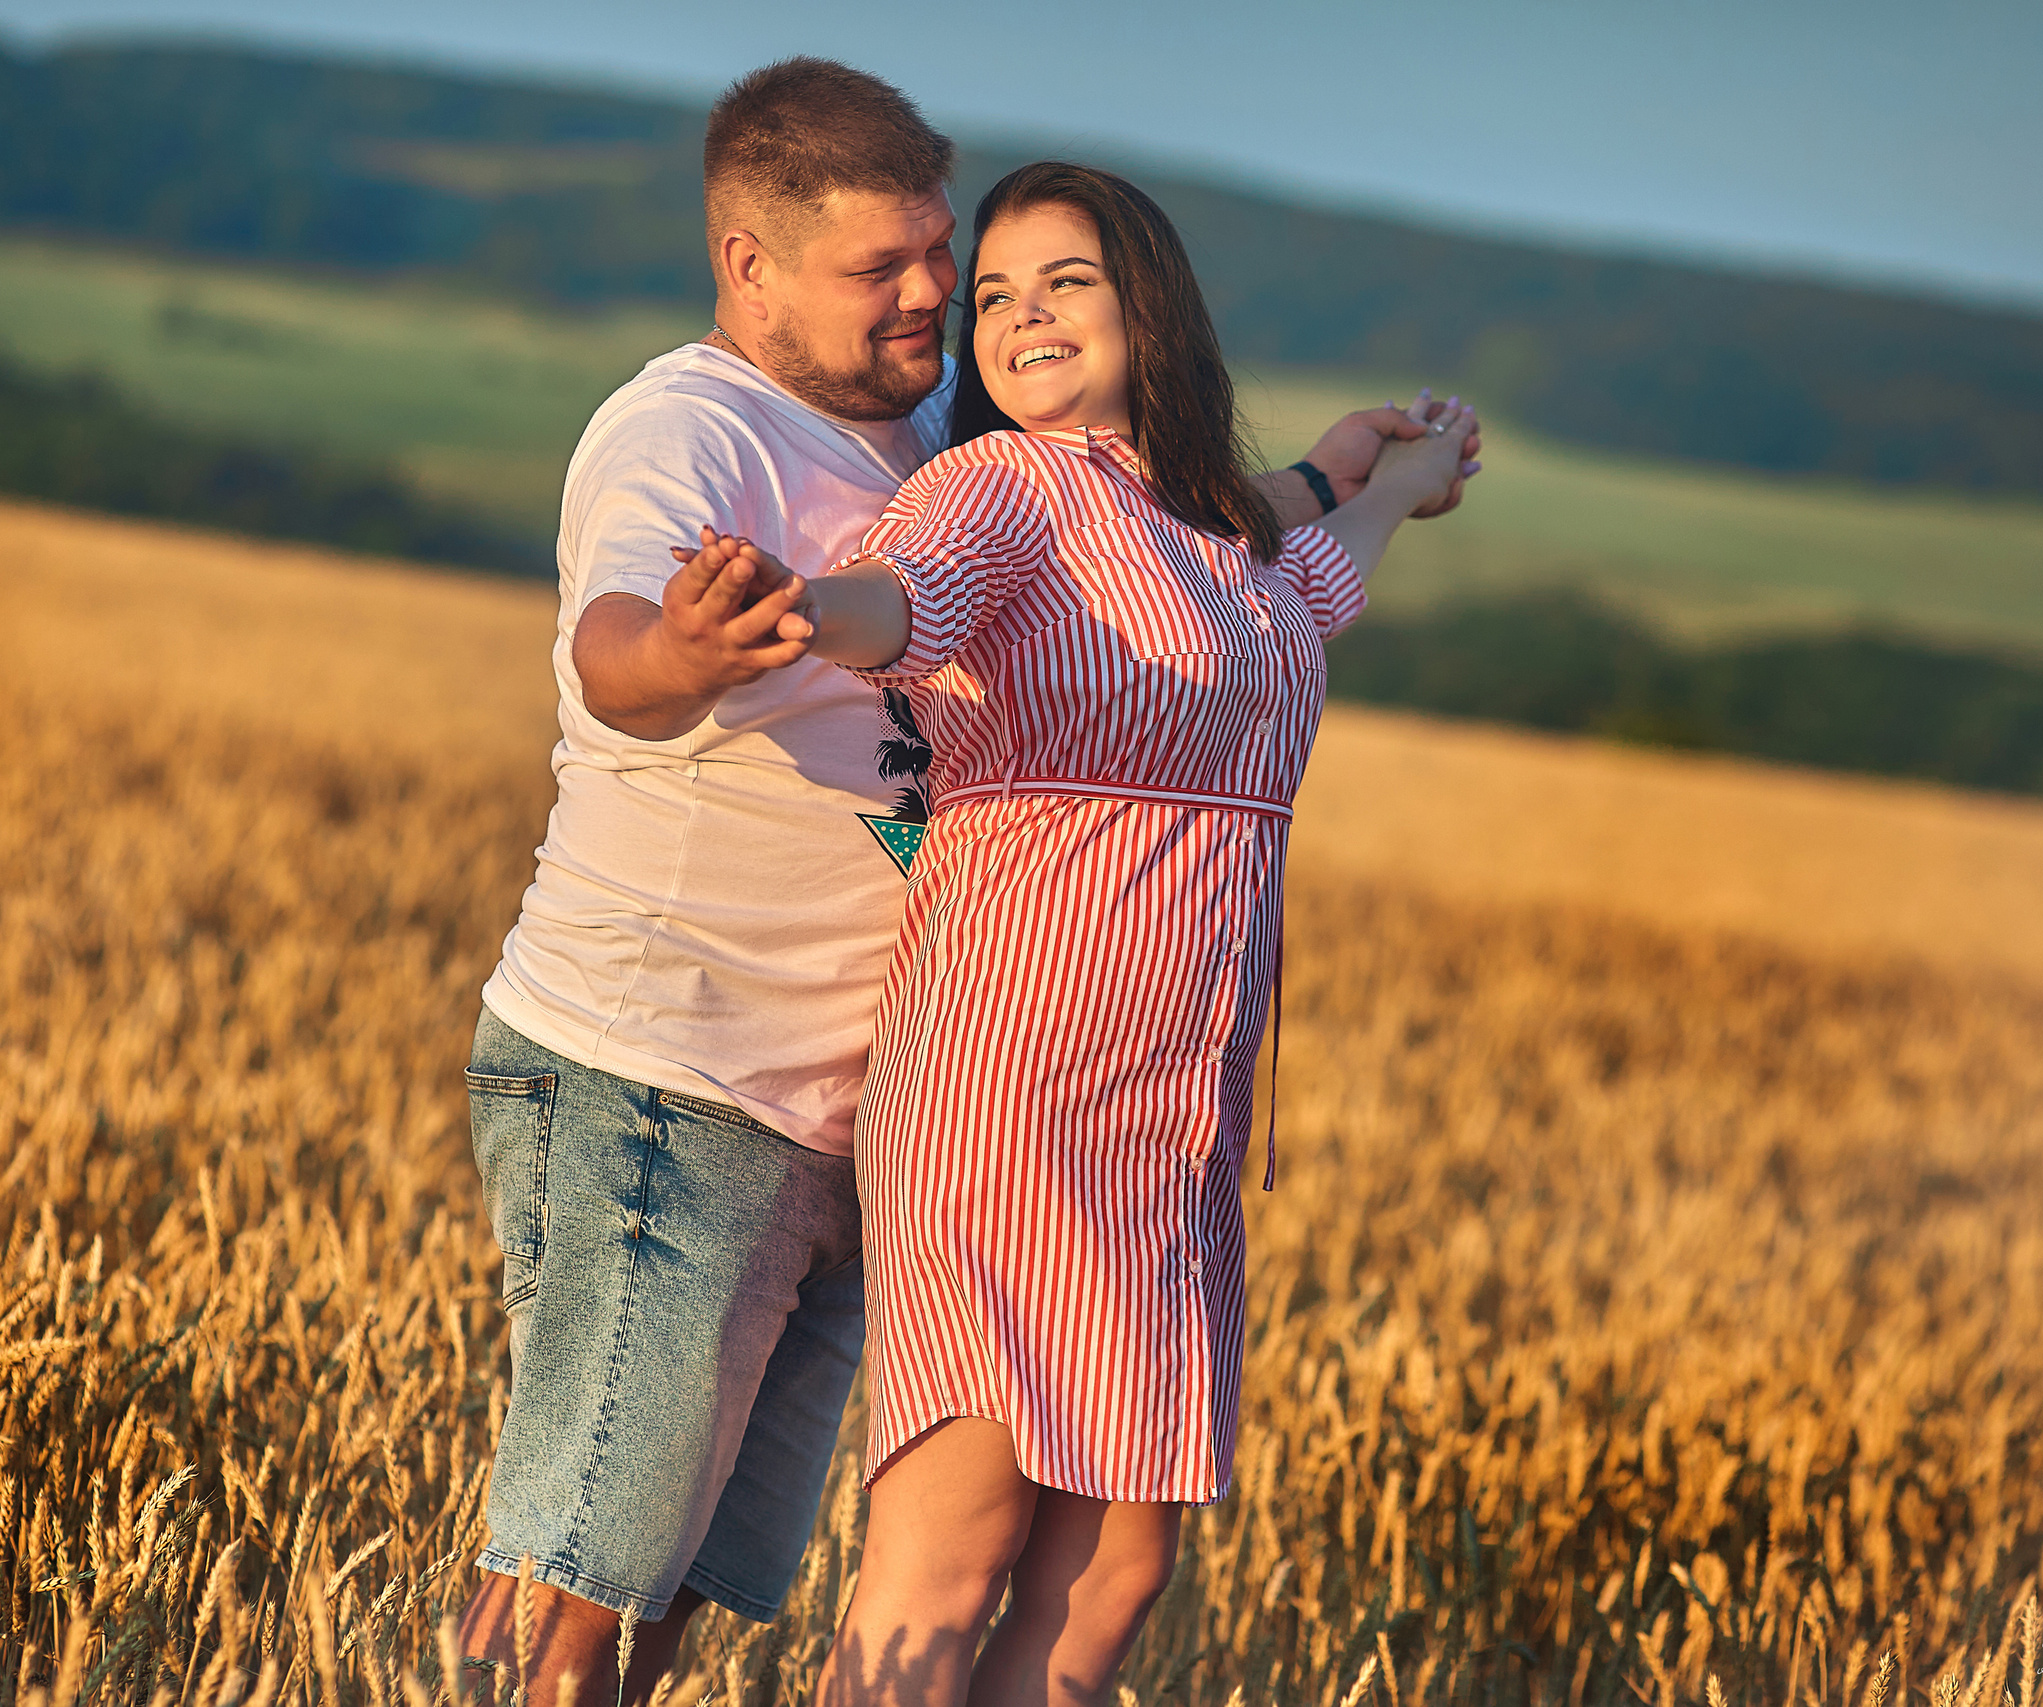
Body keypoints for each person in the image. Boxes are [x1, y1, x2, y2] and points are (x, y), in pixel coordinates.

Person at [456, 61, 1479, 1704]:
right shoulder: (691, 433)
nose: (942, 295)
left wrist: (1374, 474)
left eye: (962, 261)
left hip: (918, 1099)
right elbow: (716, 637)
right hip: (679, 1064)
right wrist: (734, 629)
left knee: (699, 1580)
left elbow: (1215, 539)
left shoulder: (955, 422)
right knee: (592, 1564)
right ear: (751, 264)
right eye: (900, 269)